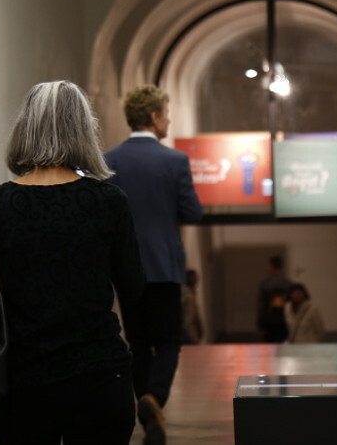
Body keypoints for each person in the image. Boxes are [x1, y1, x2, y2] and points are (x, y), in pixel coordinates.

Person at [0, 80, 146, 445]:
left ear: (25, 129)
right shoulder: (108, 201)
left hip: (22, 383)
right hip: (99, 376)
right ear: (84, 131)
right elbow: (134, 290)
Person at [104, 84, 203, 445]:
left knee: (138, 343)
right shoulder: (174, 161)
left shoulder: (110, 160)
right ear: (153, 117)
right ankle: (154, 397)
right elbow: (193, 211)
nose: (169, 121)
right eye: (166, 114)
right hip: (164, 266)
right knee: (169, 341)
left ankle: (148, 415)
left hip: (127, 267)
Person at [256, 255, 292, 343]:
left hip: (269, 320)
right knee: (283, 344)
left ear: (271, 266)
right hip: (284, 319)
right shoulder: (288, 283)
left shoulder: (265, 283)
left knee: (270, 346)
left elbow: (261, 306)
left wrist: (261, 325)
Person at [181, 269, 204, 345]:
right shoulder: (189, 297)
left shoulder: (184, 294)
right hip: (188, 341)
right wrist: (195, 340)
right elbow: (188, 323)